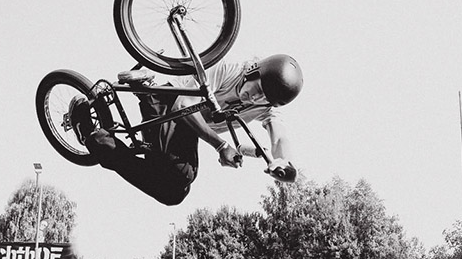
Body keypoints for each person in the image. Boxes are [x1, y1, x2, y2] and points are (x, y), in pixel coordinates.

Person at [70, 54, 303, 206]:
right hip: (169, 103)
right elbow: (184, 105)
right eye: (257, 88)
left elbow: (279, 135)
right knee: (182, 176)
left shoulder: (263, 106)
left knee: (172, 191)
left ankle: (107, 142)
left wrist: (286, 164)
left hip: (184, 126)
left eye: (263, 98)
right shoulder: (229, 69)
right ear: (254, 72)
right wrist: (221, 146)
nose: (253, 97)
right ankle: (95, 135)